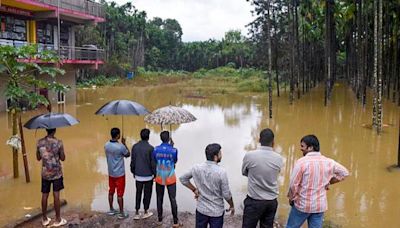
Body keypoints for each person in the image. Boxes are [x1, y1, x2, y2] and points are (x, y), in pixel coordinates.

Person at [286, 135, 349, 228]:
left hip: (302, 205)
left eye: (302, 146)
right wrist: (329, 182)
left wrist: (291, 198)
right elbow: (345, 173)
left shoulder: (302, 162)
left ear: (310, 147)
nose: (301, 149)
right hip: (319, 206)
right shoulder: (329, 162)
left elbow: (293, 185)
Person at [180, 143, 235, 228]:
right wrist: (231, 205)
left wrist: (194, 190)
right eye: (220, 153)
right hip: (216, 212)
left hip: (201, 209)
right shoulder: (221, 172)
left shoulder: (196, 168)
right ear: (216, 156)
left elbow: (183, 179)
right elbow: (226, 194)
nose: (221, 155)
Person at [241, 128, 284, 228]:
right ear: (273, 142)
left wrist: (255, 176)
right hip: (271, 201)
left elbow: (244, 172)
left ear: (259, 140)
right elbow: (276, 173)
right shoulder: (278, 158)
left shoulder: (249, 156)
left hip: (254, 200)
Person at [36, 128, 67, 227]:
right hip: (56, 173)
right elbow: (63, 158)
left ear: (46, 130)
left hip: (45, 173)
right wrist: (59, 151)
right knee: (56, 194)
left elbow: (38, 158)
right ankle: (58, 219)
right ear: (54, 131)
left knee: (44, 194)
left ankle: (44, 219)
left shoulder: (39, 142)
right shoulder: (59, 143)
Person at [153, 131, 181, 227]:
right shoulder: (174, 150)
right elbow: (175, 161)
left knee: (159, 198)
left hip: (160, 177)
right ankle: (175, 222)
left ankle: (160, 220)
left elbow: (155, 160)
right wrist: (172, 146)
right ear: (169, 138)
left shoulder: (156, 149)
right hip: (170, 177)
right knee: (173, 199)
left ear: (161, 138)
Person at [104, 127, 130, 219]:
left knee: (111, 191)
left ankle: (111, 209)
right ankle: (121, 213)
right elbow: (128, 154)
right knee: (120, 194)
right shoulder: (121, 147)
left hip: (111, 173)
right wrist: (124, 143)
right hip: (119, 174)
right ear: (118, 135)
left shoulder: (106, 145)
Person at [130, 128, 156, 220]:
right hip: (148, 176)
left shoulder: (135, 147)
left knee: (138, 193)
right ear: (148, 137)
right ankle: (145, 211)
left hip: (138, 175)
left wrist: (133, 171)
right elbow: (153, 163)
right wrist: (155, 174)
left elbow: (132, 161)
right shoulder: (151, 148)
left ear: (140, 136)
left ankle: (137, 212)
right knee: (147, 194)